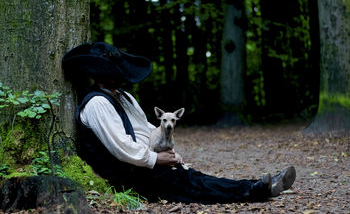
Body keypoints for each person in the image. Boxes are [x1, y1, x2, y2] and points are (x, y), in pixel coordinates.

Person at [62, 42, 296, 204]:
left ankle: (259, 186)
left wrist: (168, 151)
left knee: (194, 178)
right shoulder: (97, 104)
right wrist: (155, 159)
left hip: (144, 165)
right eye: (116, 72)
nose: (122, 76)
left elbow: (148, 130)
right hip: (129, 176)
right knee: (191, 183)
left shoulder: (123, 97)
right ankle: (257, 189)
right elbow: (122, 147)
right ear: (101, 74)